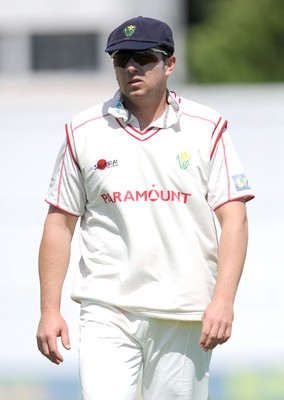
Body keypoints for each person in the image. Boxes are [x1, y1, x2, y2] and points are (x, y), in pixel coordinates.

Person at [36, 16, 254, 400]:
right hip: (107, 308)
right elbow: (59, 223)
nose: (131, 67)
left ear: (169, 64)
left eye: (143, 57)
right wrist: (49, 310)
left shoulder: (208, 127)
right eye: (121, 59)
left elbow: (233, 216)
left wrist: (223, 301)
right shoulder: (83, 130)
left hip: (184, 310)